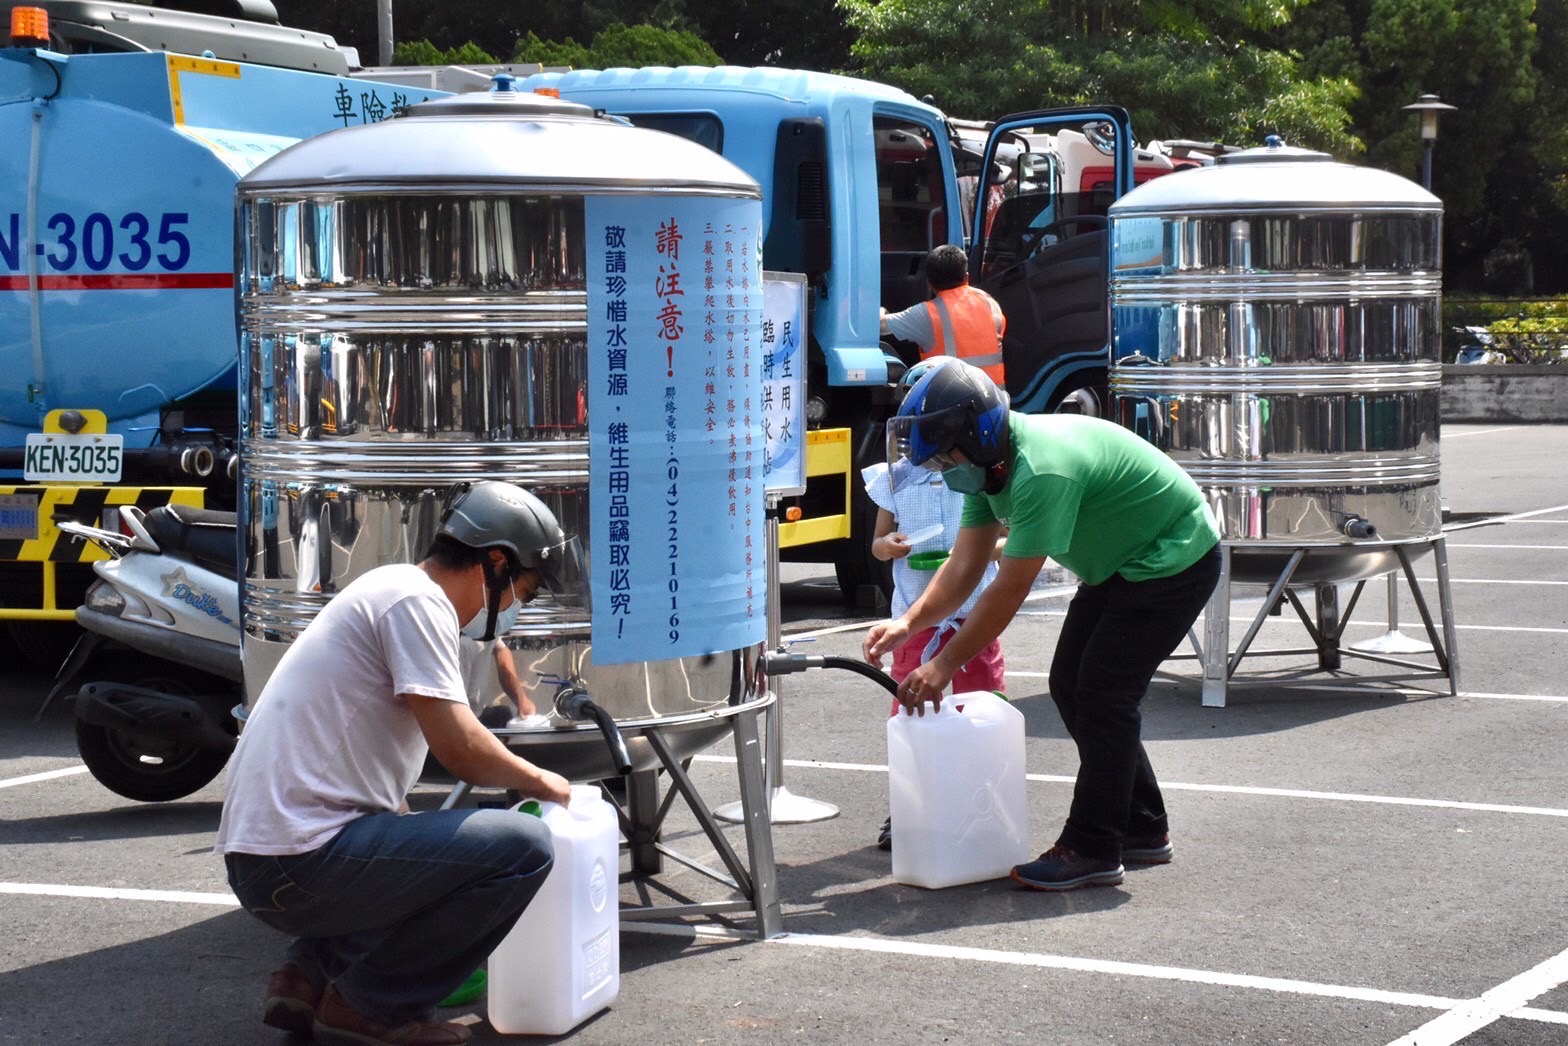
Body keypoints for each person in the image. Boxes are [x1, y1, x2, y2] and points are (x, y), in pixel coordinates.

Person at [216, 481, 581, 1046]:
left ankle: (306, 973)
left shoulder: (394, 590)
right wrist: (543, 781)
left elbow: (384, 789)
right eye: (523, 593)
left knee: (432, 852)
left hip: (273, 861)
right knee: (522, 849)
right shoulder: (417, 602)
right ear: (497, 563)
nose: (515, 609)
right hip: (292, 862)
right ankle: (371, 1007)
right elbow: (460, 748)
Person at [863, 360, 1221, 892]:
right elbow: (964, 566)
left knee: (1103, 695)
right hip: (1119, 564)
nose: (940, 467)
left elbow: (1006, 589)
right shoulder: (988, 468)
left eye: (943, 454)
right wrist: (907, 623)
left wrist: (943, 664)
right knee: (1070, 685)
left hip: (1171, 560)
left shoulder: (1039, 471)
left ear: (976, 437)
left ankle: (1094, 846)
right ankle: (1143, 826)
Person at [863, 358, 1008, 850]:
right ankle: (909, 809)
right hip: (915, 615)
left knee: (982, 711)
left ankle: (981, 802)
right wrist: (892, 546)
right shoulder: (896, 478)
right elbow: (877, 544)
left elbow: (1011, 535)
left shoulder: (975, 469)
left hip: (972, 615)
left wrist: (974, 552)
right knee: (913, 715)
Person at [880, 244, 1007, 386]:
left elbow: (881, 327)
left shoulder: (926, 314)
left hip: (952, 401)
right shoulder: (988, 302)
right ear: (966, 277)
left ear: (929, 283)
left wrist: (881, 310)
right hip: (995, 399)